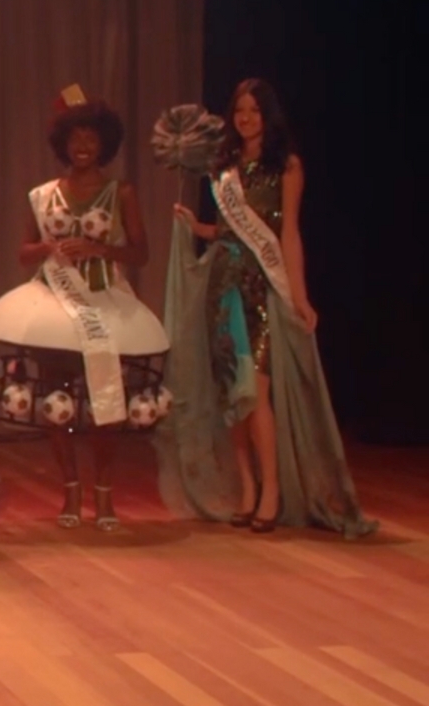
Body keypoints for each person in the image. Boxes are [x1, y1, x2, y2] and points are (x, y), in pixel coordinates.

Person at [157, 79, 375, 537]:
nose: (246, 118)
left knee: (254, 391)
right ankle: (247, 488)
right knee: (231, 395)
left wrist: (300, 295)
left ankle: (272, 488)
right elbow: (225, 231)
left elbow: (288, 233)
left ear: (268, 115)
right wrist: (197, 226)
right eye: (240, 110)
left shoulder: (285, 165)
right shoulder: (224, 167)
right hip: (223, 285)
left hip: (260, 287)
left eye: (254, 110)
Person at [0, 88, 168, 530]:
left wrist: (99, 249)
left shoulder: (121, 193)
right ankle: (69, 491)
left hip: (103, 303)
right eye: (75, 138)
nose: (82, 146)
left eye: (91, 137)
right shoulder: (43, 195)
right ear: (63, 143)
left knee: (106, 402)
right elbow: (24, 252)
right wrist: (49, 247)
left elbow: (141, 253)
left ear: (105, 143)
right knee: (57, 402)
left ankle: (103, 494)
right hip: (54, 307)